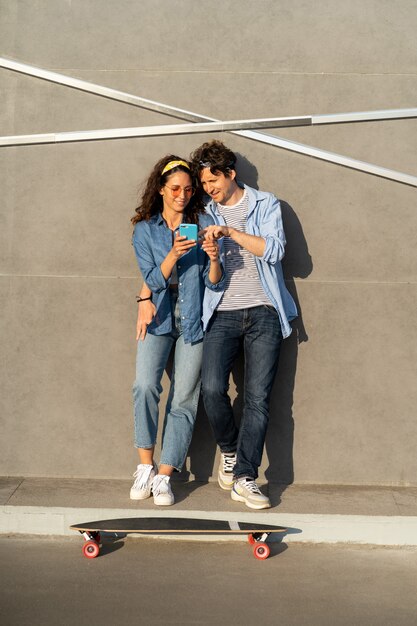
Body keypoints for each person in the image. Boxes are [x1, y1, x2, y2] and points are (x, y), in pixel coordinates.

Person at [190, 140, 298, 510]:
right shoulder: (205, 212)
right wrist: (213, 257)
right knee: (212, 389)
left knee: (257, 399)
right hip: (222, 312)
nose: (209, 189)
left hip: (265, 311)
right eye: (203, 183)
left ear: (230, 173)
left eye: (212, 180)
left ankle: (246, 478)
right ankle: (231, 451)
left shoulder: (266, 204)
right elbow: (212, 281)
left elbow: (275, 250)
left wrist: (232, 233)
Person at [130, 155, 223, 505]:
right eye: (175, 189)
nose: (182, 195)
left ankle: (166, 475)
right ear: (161, 189)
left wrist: (213, 257)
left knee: (183, 397)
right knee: (144, 386)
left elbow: (215, 284)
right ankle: (145, 467)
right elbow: (152, 280)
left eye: (187, 189)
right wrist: (173, 253)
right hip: (158, 317)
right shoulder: (144, 229)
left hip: (193, 321)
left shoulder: (202, 224)